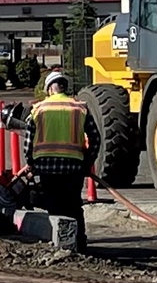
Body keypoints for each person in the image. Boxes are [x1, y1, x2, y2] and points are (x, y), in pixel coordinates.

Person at [25, 70, 100, 250]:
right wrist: (87, 162)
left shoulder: (39, 109)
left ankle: (60, 244)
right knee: (74, 205)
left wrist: (30, 163)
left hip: (47, 167)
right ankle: (80, 243)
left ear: (50, 89)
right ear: (64, 87)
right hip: (73, 167)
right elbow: (95, 138)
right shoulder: (79, 108)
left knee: (54, 205)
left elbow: (29, 140)